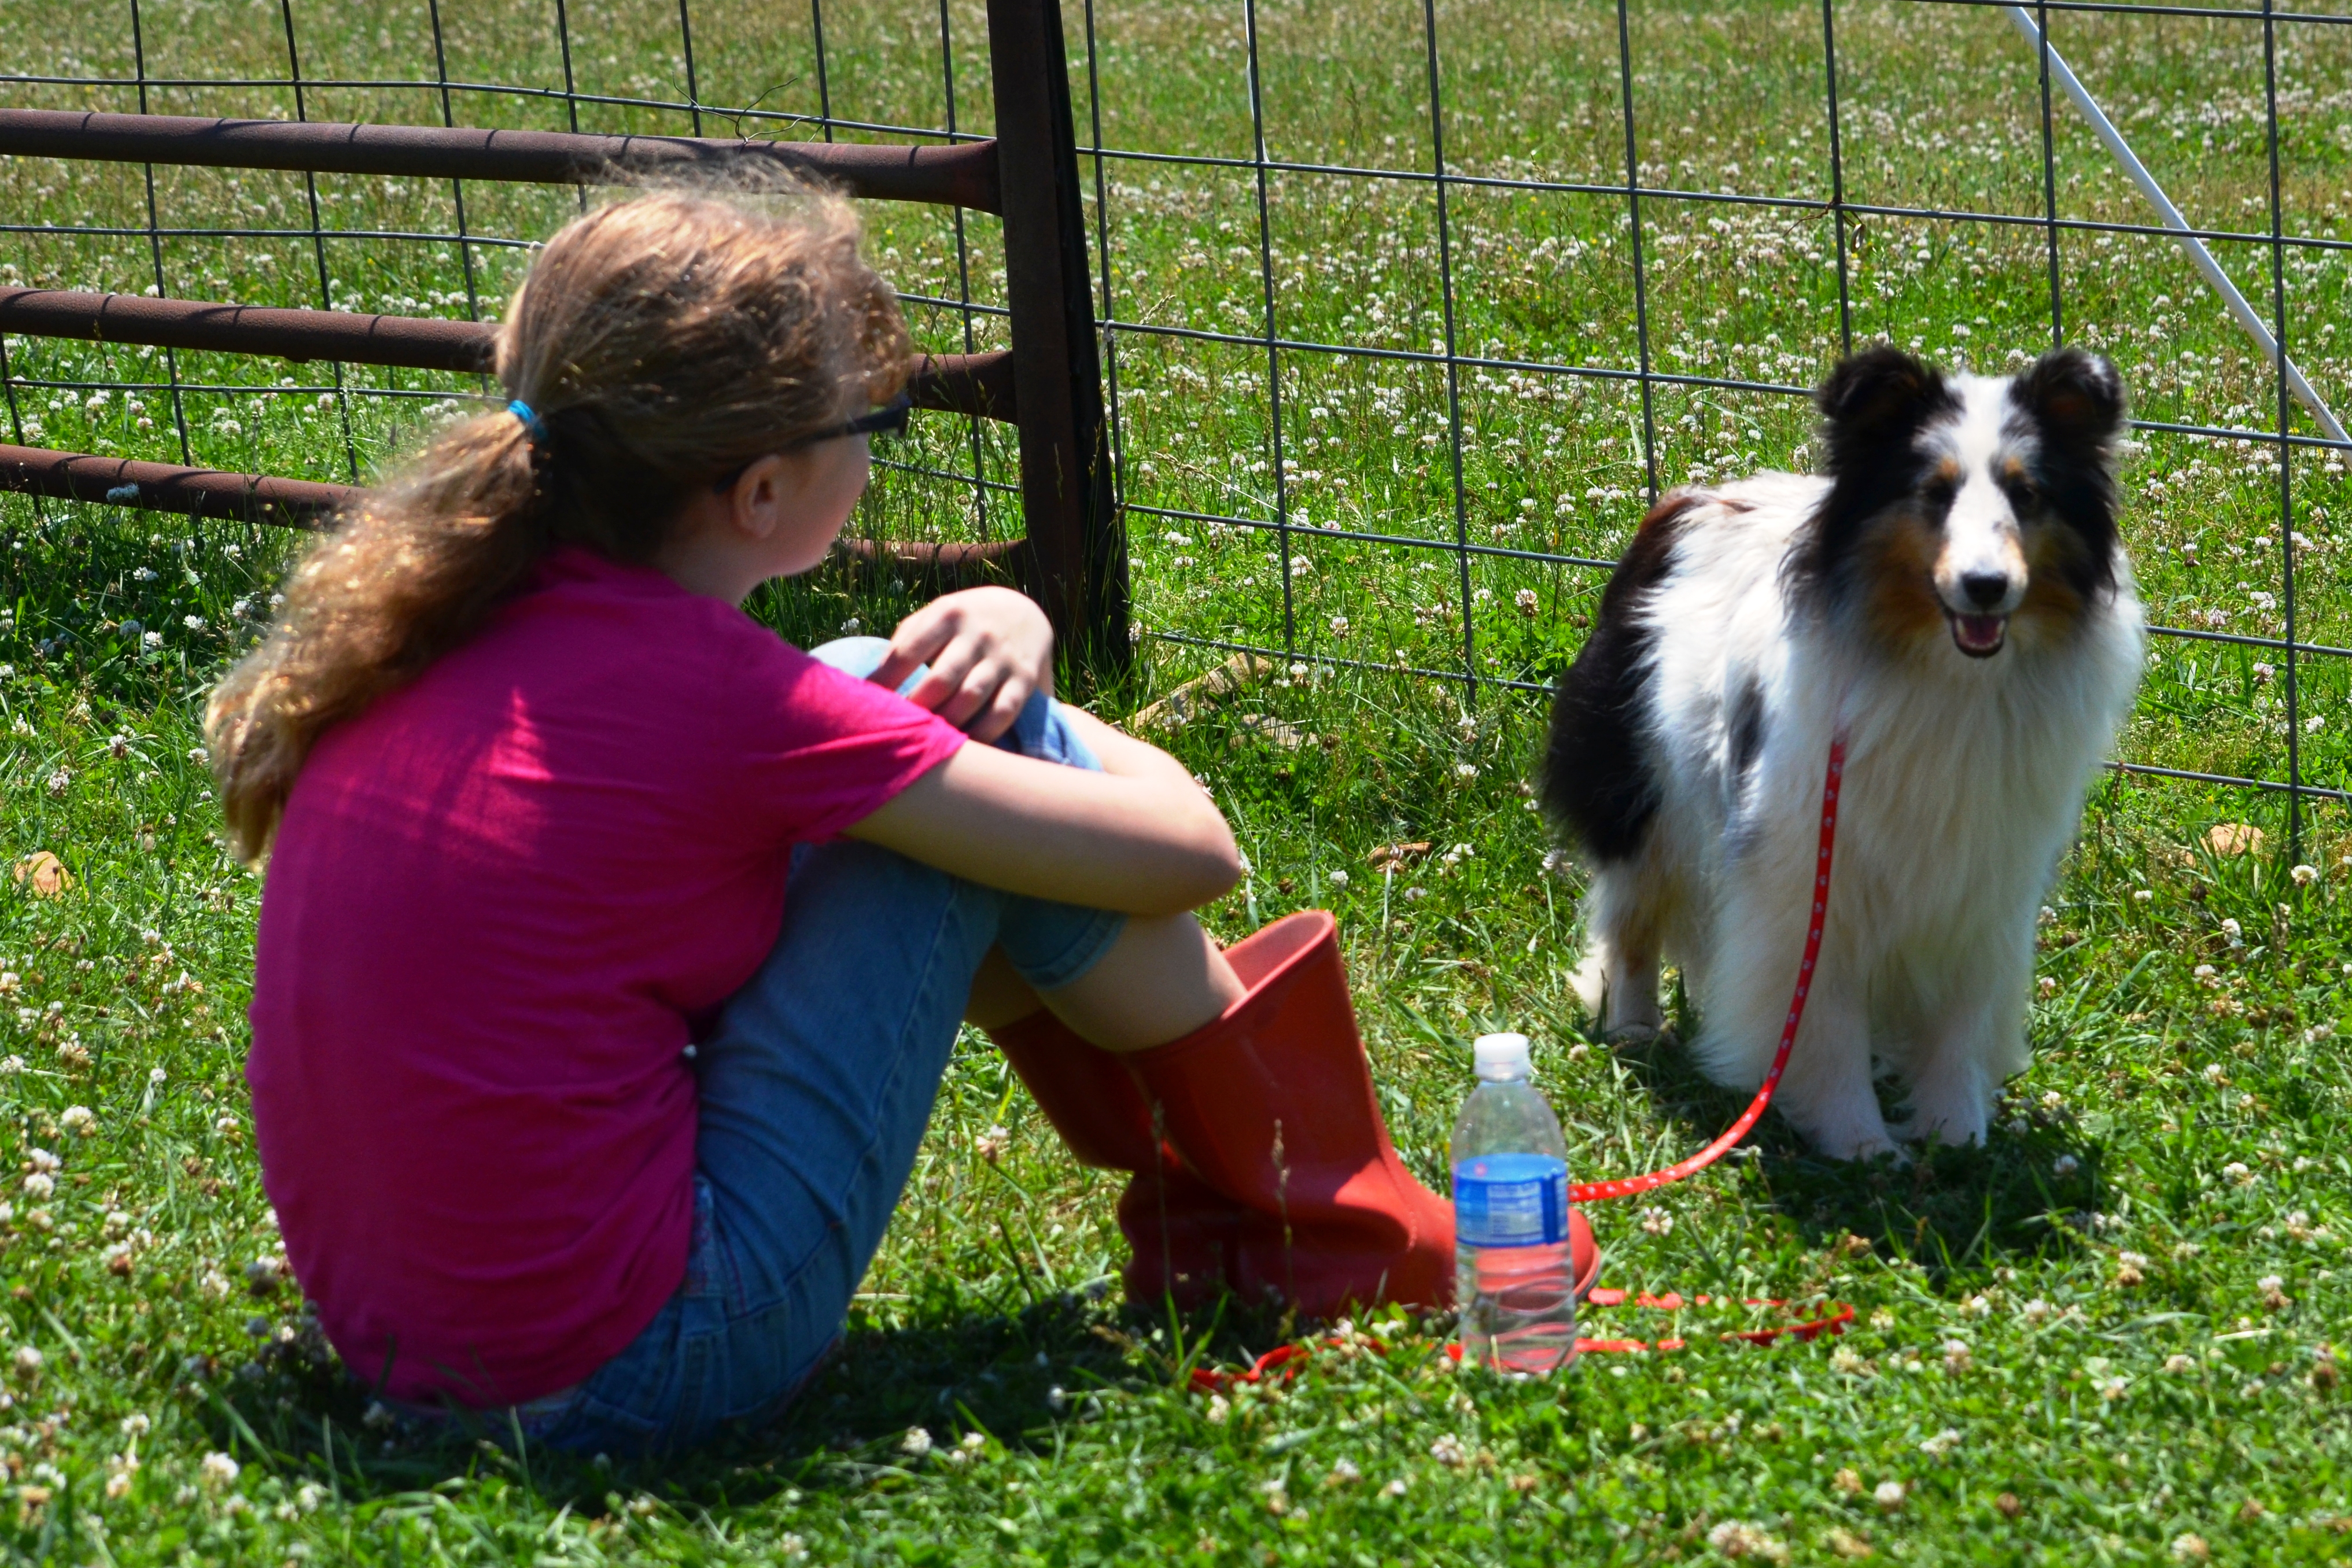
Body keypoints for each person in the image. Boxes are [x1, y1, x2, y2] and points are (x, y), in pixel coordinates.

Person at [205, 186, 1591, 1458]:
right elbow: (1194, 849)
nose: (878, 455)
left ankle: (1273, 1217)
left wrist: (995, 635)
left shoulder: (439, 627)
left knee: (890, 686)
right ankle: (1326, 1221)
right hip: (638, 1375)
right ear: (761, 494)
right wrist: (1028, 662)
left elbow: (802, 730)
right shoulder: (728, 703)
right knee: (966, 728)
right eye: (873, 428)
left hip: (402, 1355)